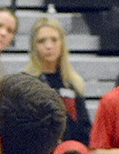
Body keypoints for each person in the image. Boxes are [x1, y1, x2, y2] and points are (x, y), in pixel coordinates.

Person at [23, 14, 91, 145]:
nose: (49, 46)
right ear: (34, 46)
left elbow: (84, 129)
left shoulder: (73, 83)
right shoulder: (26, 83)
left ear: (62, 44)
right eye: (42, 41)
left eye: (54, 40)